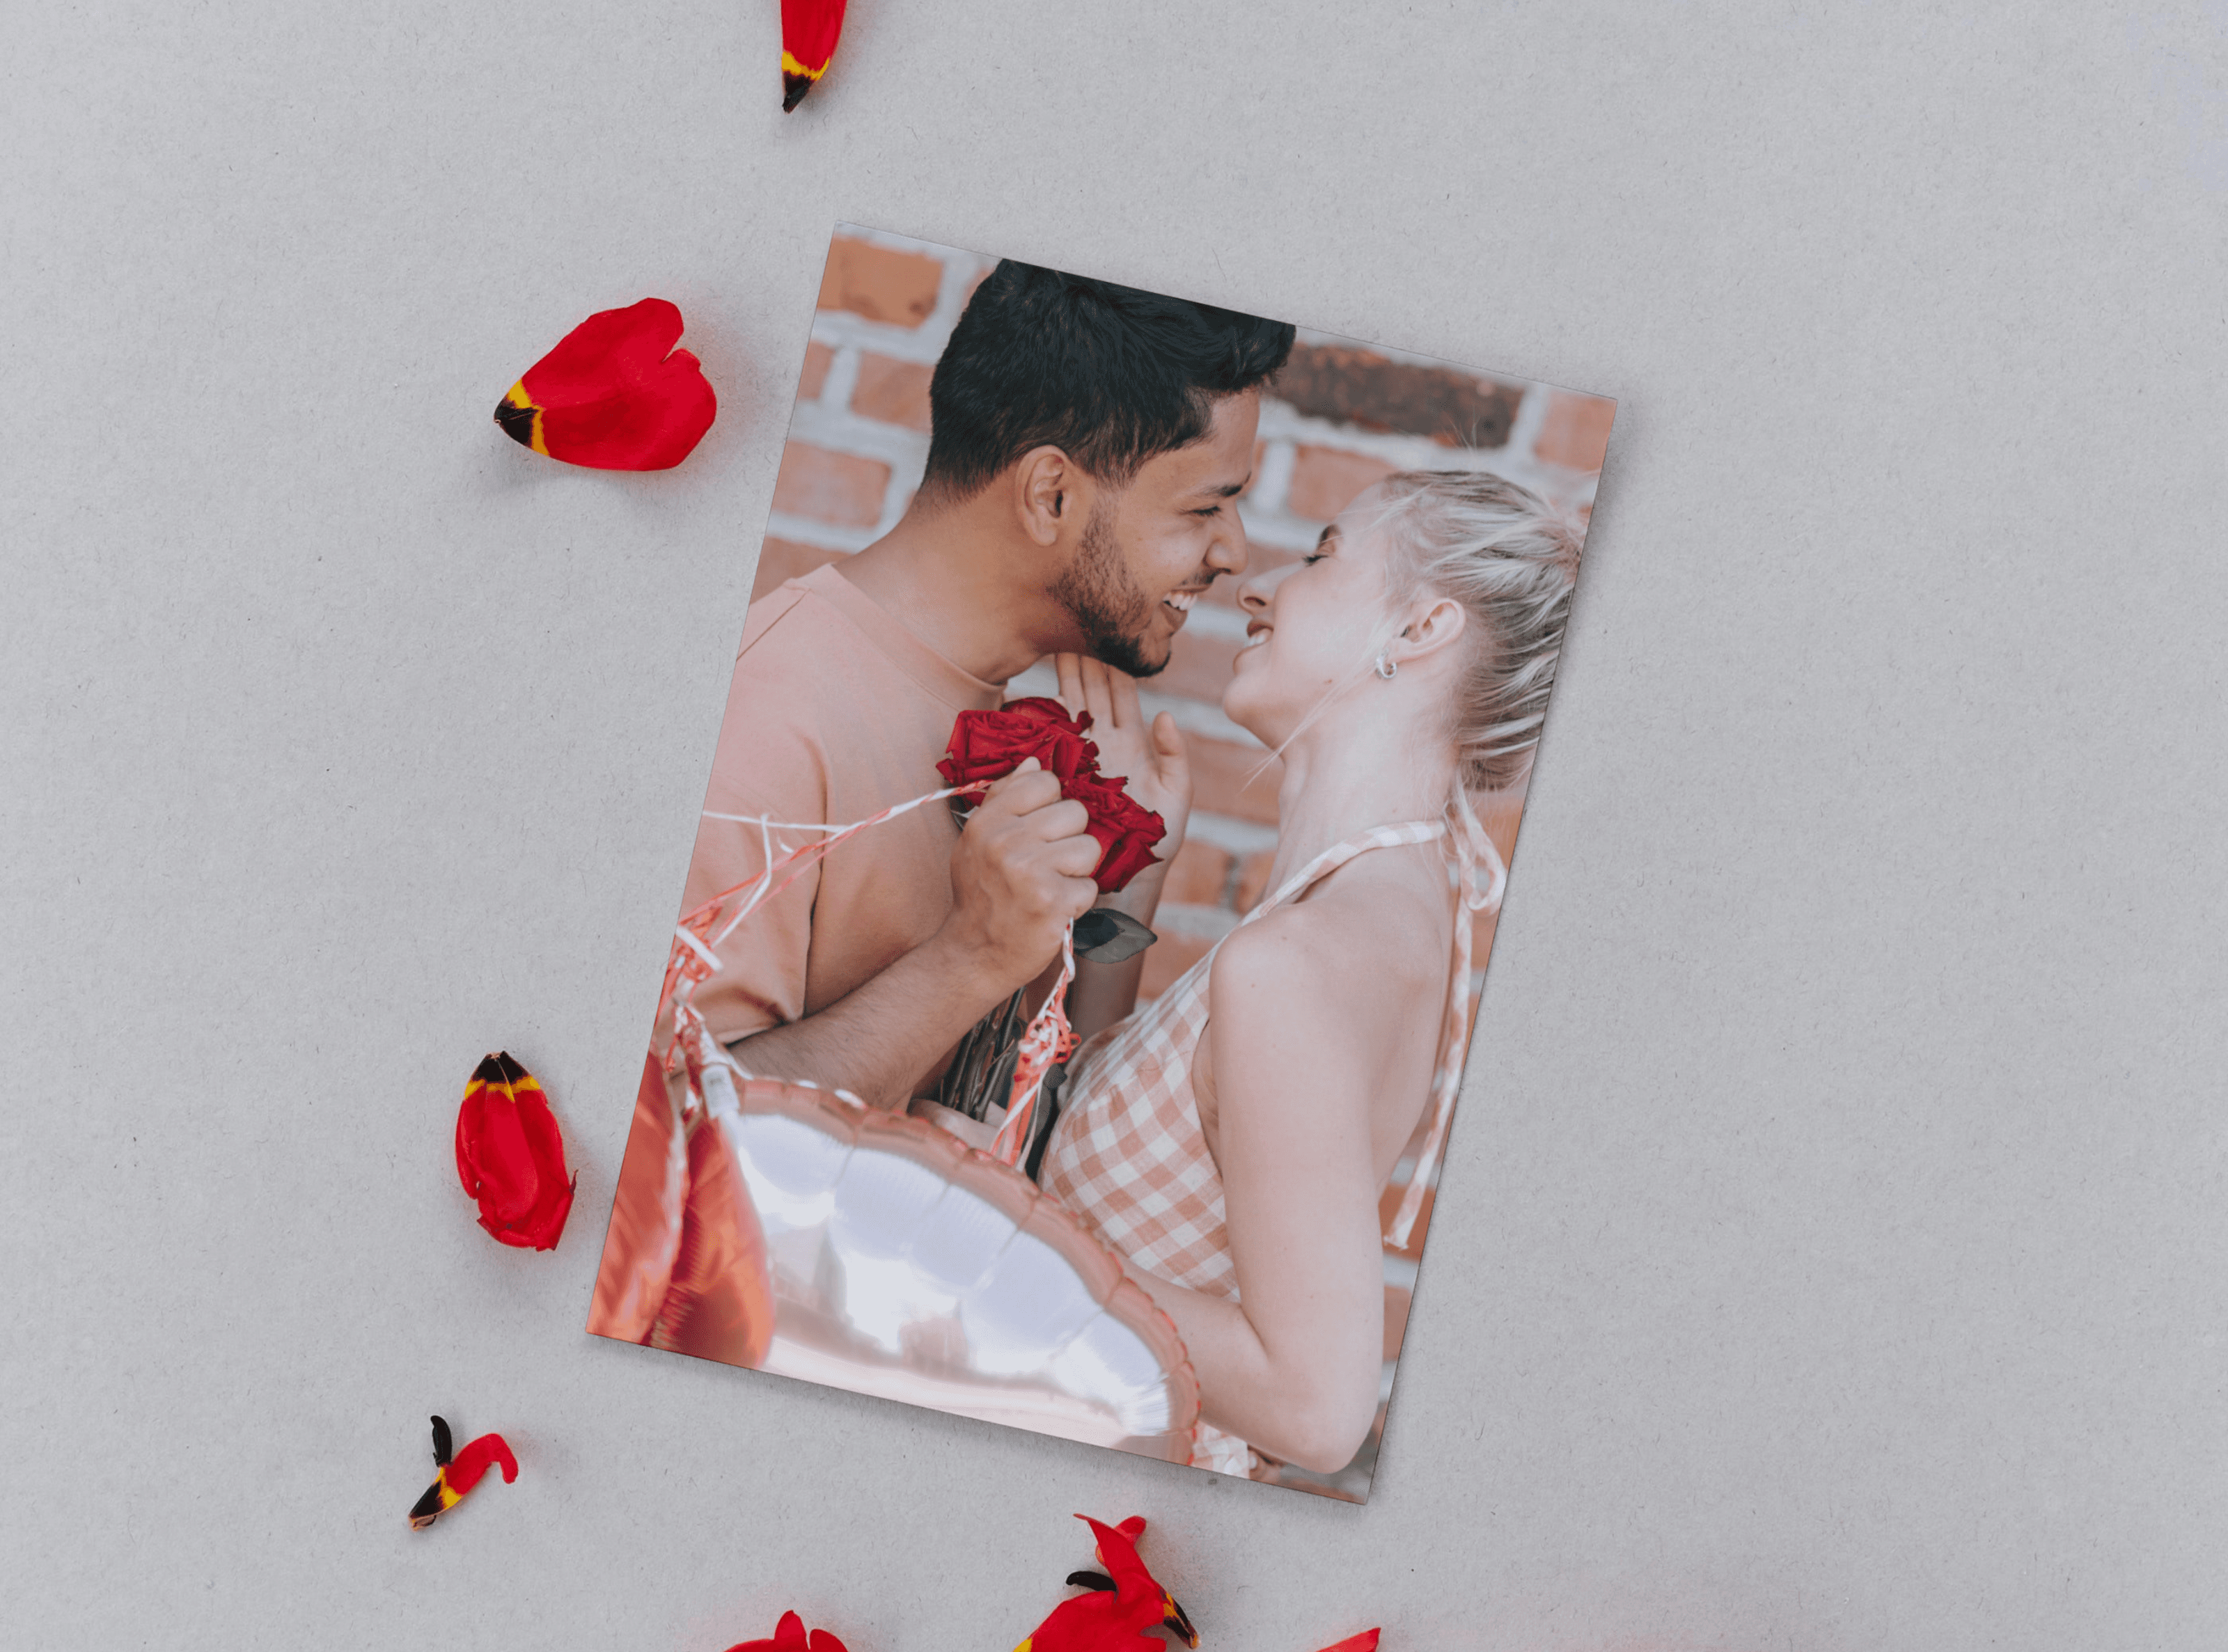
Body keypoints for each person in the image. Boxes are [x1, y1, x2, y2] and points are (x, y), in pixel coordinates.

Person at [1039, 470, 1583, 1477]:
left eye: (1325, 554)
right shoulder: (1371, 913)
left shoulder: (1304, 959)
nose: (1259, 586)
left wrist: (1002, 1229)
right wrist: (1140, 873)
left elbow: (1314, 1409)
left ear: (1421, 630)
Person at [675, 262, 1294, 1109]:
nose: (1231, 553)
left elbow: (1031, 1119)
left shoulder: (998, 709)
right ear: (1050, 495)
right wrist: (970, 956)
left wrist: (1127, 879)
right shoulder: (764, 720)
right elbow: (669, 1128)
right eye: (1204, 508)